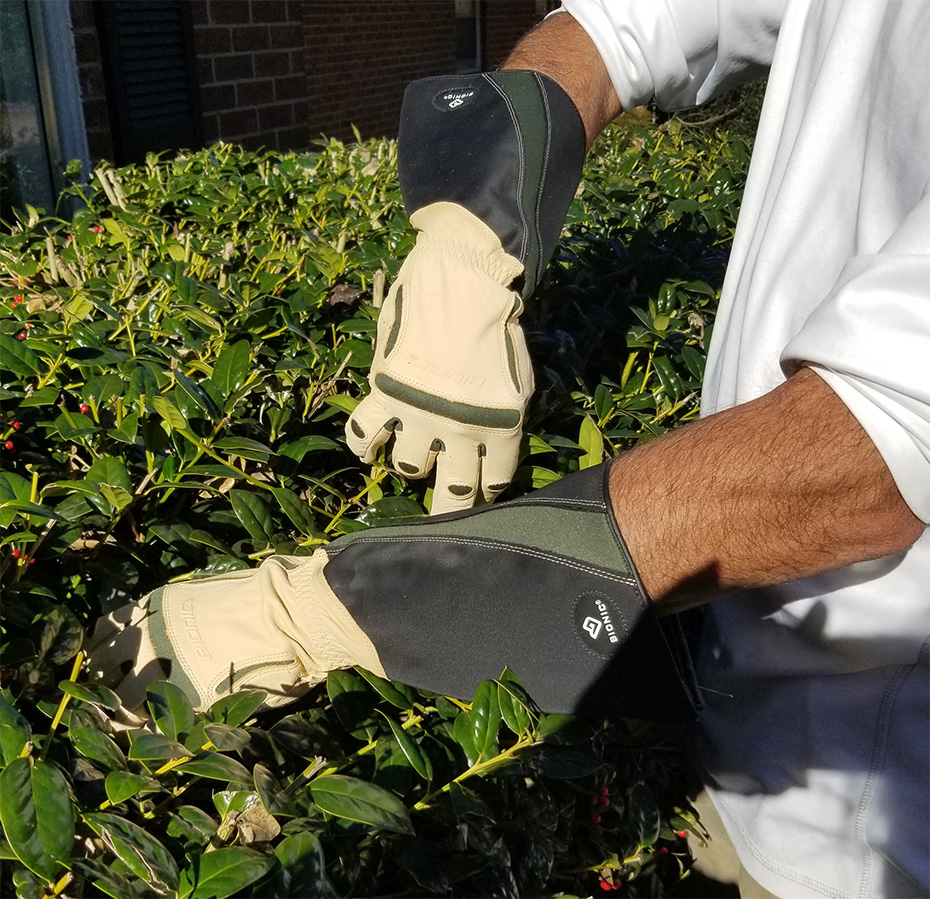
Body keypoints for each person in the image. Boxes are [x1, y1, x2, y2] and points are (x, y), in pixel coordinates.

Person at [87, 1, 929, 897]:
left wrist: (325, 609)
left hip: (874, 824)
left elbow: (876, 447)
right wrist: (469, 237)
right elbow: (613, 33)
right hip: (729, 697)